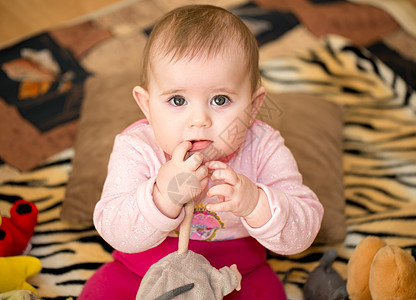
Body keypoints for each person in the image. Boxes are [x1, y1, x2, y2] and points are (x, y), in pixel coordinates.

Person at [79, 4, 323, 299]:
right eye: (177, 100)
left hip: (236, 271)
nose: (200, 120)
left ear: (254, 106)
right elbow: (115, 229)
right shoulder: (137, 146)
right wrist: (162, 197)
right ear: (146, 105)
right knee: (100, 291)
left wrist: (255, 202)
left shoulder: (263, 146)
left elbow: (302, 233)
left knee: (270, 293)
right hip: (144, 267)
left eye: (220, 100)